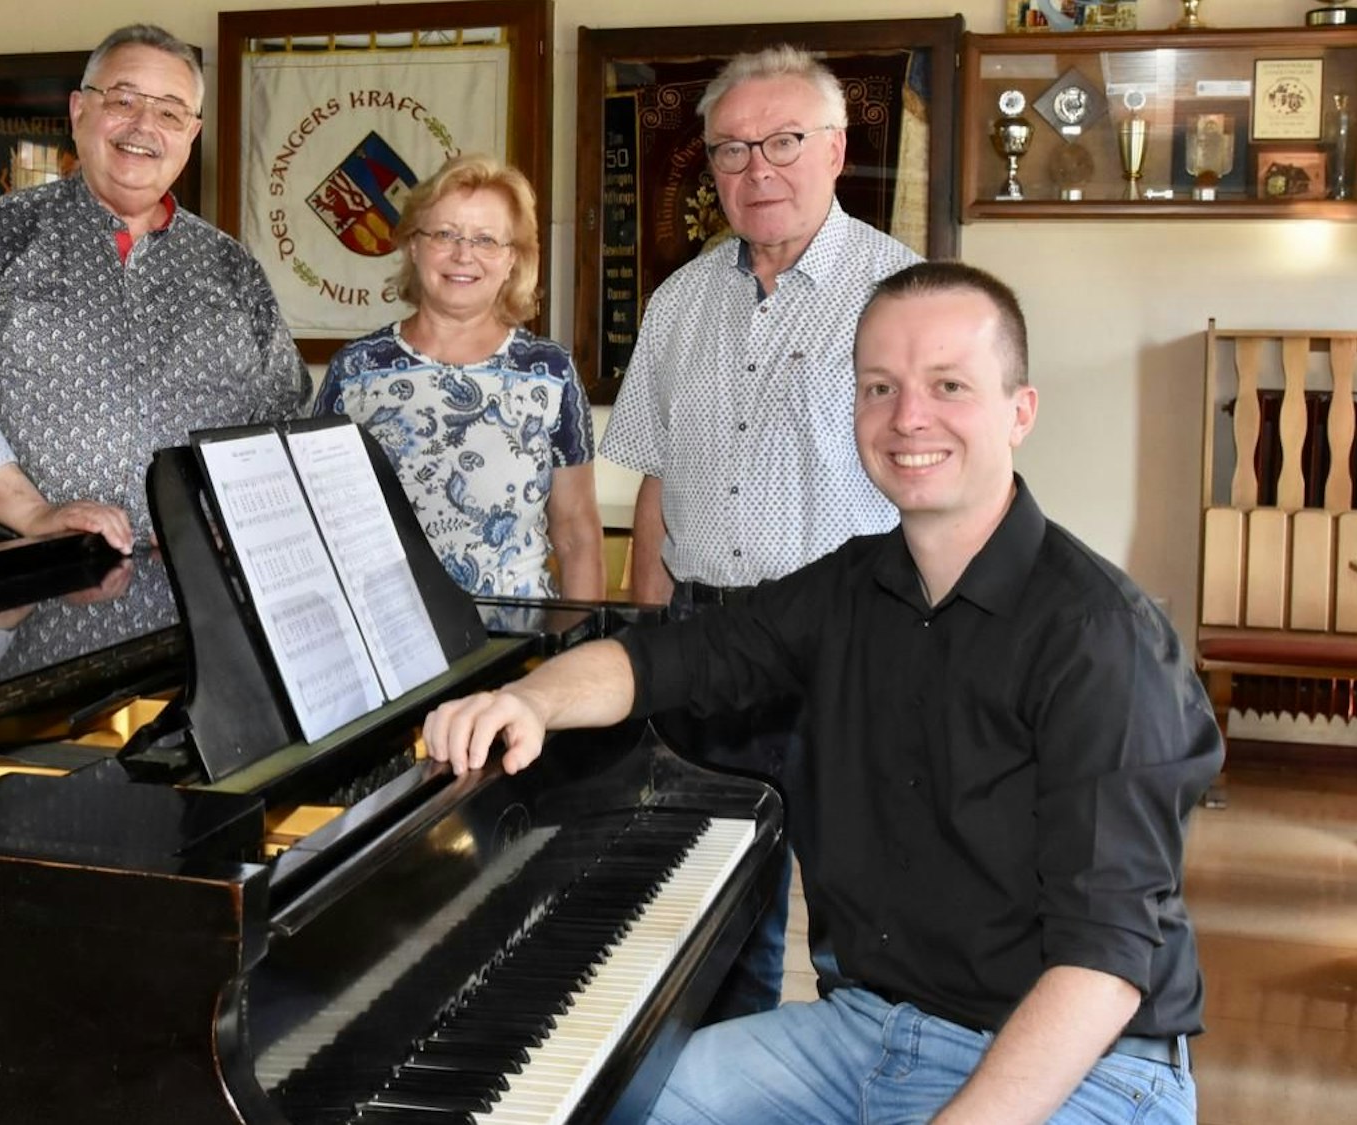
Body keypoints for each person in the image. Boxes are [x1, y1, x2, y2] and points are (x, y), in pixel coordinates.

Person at [424, 261, 1220, 1124]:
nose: (907, 416)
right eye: (880, 386)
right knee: (605, 1104)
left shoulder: (1101, 638)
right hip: (867, 1032)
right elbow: (668, 658)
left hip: (1077, 1065)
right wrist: (532, 700)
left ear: (1018, 411)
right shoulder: (847, 591)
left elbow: (1103, 968)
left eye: (948, 384)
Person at [599, 44, 923, 1021]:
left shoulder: (902, 296)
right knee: (705, 916)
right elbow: (656, 484)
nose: (756, 170)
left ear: (835, 149)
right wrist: (644, 652)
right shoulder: (676, 303)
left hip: (853, 642)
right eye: (731, 149)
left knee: (863, 927)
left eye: (782, 141)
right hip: (705, 642)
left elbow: (943, 493)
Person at [0, 24, 307, 556]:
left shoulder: (231, 267)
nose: (143, 125)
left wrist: (232, 511)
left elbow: (285, 408)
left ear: (192, 133)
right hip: (15, 575)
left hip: (187, 580)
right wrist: (36, 514)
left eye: (169, 111)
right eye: (123, 100)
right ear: (78, 111)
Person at [313, 154, 602, 600]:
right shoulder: (356, 371)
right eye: (445, 234)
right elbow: (320, 522)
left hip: (519, 647)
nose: (464, 255)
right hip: (391, 643)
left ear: (513, 260)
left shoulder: (550, 374)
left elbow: (576, 535)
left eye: (486, 240)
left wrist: (583, 654)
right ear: (413, 244)